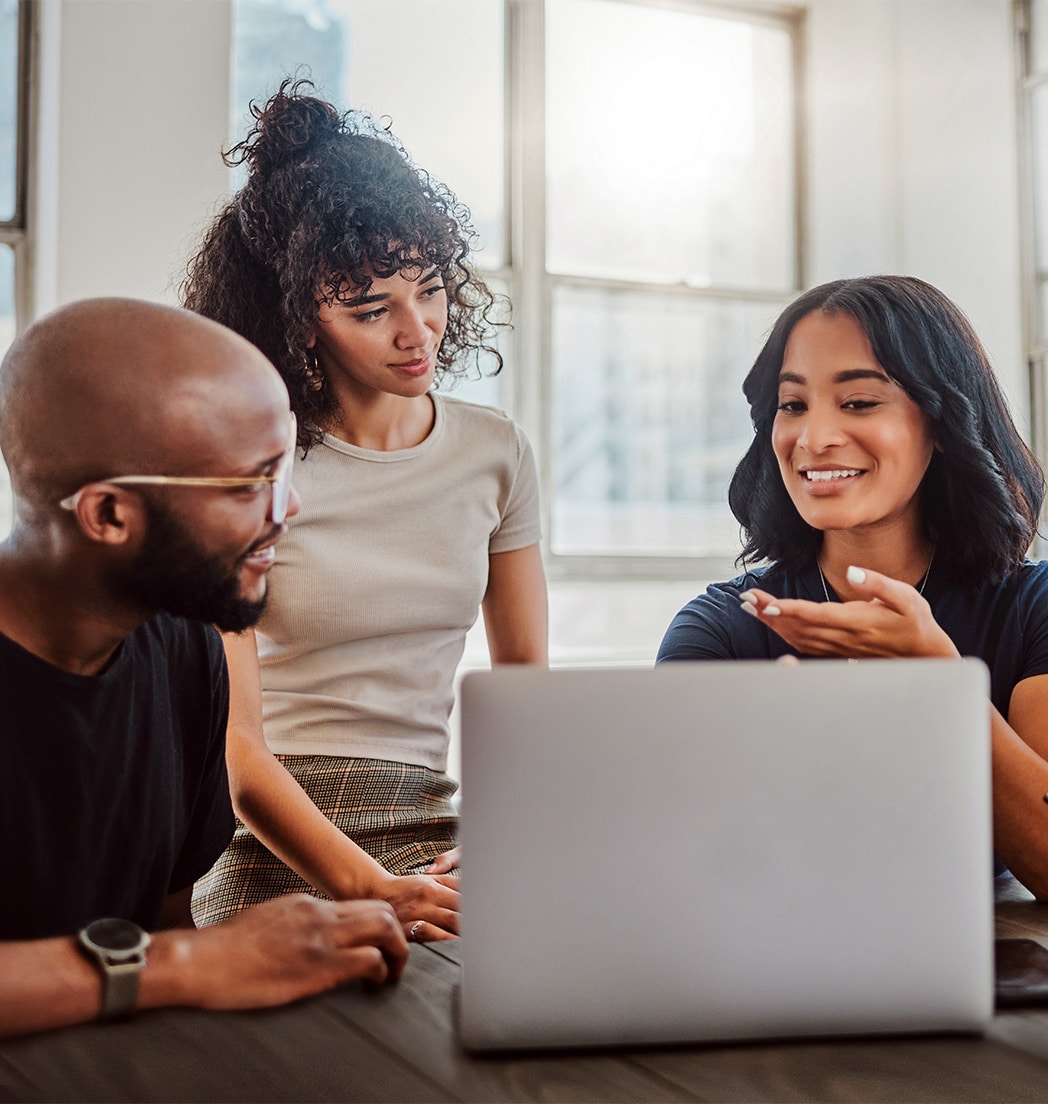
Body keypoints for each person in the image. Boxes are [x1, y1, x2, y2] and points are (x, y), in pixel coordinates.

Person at [182, 82, 547, 940]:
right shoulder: (251, 468)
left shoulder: (495, 452)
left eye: (428, 287)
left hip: (435, 824)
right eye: (370, 309)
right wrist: (373, 887)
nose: (417, 331)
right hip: (274, 839)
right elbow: (240, 756)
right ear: (299, 319)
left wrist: (510, 833)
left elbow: (525, 680)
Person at [0, 298, 408, 1039]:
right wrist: (191, 964)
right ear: (110, 515)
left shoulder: (187, 647)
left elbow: (166, 921)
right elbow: (181, 955)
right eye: (249, 484)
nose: (286, 509)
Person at [657, 274, 1048, 899]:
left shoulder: (1032, 607)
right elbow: (677, 853)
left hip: (982, 963)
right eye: (792, 405)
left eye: (859, 402)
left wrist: (941, 684)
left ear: (943, 422)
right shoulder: (721, 626)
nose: (814, 439)